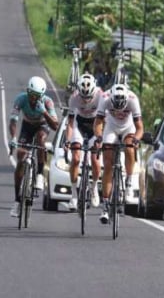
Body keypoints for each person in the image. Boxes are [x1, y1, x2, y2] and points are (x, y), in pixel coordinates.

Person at [93, 84, 144, 224]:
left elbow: (139, 128)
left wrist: (136, 139)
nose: (119, 110)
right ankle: (105, 205)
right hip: (111, 127)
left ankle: (128, 181)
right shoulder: (105, 98)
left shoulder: (133, 99)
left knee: (129, 148)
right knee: (108, 164)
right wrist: (98, 137)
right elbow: (97, 122)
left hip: (128, 128)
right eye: (116, 107)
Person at [8, 76, 59, 217]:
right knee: (20, 158)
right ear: (27, 92)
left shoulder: (48, 102)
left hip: (43, 125)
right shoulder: (21, 99)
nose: (33, 99)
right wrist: (13, 137)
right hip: (27, 126)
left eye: (37, 96)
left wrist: (44, 112)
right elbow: (13, 121)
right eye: (31, 94)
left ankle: (40, 174)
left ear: (42, 95)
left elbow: (55, 126)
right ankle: (17, 201)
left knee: (41, 139)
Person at [65, 74, 103, 211]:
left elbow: (106, 120)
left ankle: (93, 188)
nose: (86, 100)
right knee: (75, 159)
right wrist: (67, 141)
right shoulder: (74, 97)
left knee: (95, 159)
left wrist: (100, 138)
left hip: (95, 126)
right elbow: (70, 122)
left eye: (89, 97)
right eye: (83, 97)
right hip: (79, 125)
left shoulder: (101, 96)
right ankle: (74, 195)